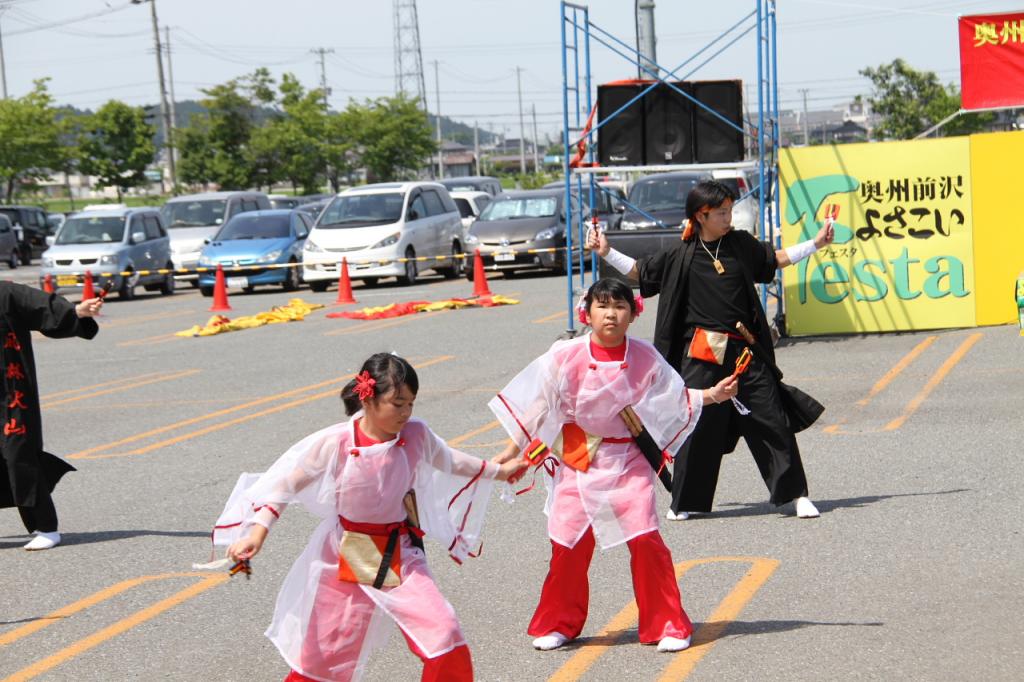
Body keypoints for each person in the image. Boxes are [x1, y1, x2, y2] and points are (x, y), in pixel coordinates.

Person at [211, 353, 525, 682]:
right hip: (345, 555)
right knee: (324, 658)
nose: (406, 413)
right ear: (368, 399)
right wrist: (257, 533)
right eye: (397, 403)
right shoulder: (337, 443)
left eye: (411, 404)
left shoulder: (416, 434)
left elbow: (450, 461)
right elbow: (284, 486)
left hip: (400, 552)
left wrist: (499, 472)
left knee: (444, 633)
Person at [488, 278, 738, 653]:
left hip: (628, 458)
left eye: (620, 306)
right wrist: (511, 451)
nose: (611, 314)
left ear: (633, 313)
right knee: (568, 542)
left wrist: (713, 395)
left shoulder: (645, 356)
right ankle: (559, 622)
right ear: (586, 312)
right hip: (577, 456)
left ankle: (667, 622)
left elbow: (673, 396)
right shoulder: (564, 354)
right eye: (602, 306)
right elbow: (540, 407)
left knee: (646, 539)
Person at [587, 179, 834, 520]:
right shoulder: (680, 254)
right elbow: (640, 272)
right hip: (701, 354)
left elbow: (773, 260)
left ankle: (796, 495)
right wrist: (605, 252)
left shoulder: (740, 245)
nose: (728, 217)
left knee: (771, 419)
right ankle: (686, 500)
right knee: (696, 423)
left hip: (745, 351)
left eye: (730, 210)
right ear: (701, 215)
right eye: (721, 212)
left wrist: (816, 243)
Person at [0, 282, 102, 551]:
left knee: (19, 456)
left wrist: (76, 311)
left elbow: (41, 306)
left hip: (10, 396)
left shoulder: (5, 293)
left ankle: (46, 526)